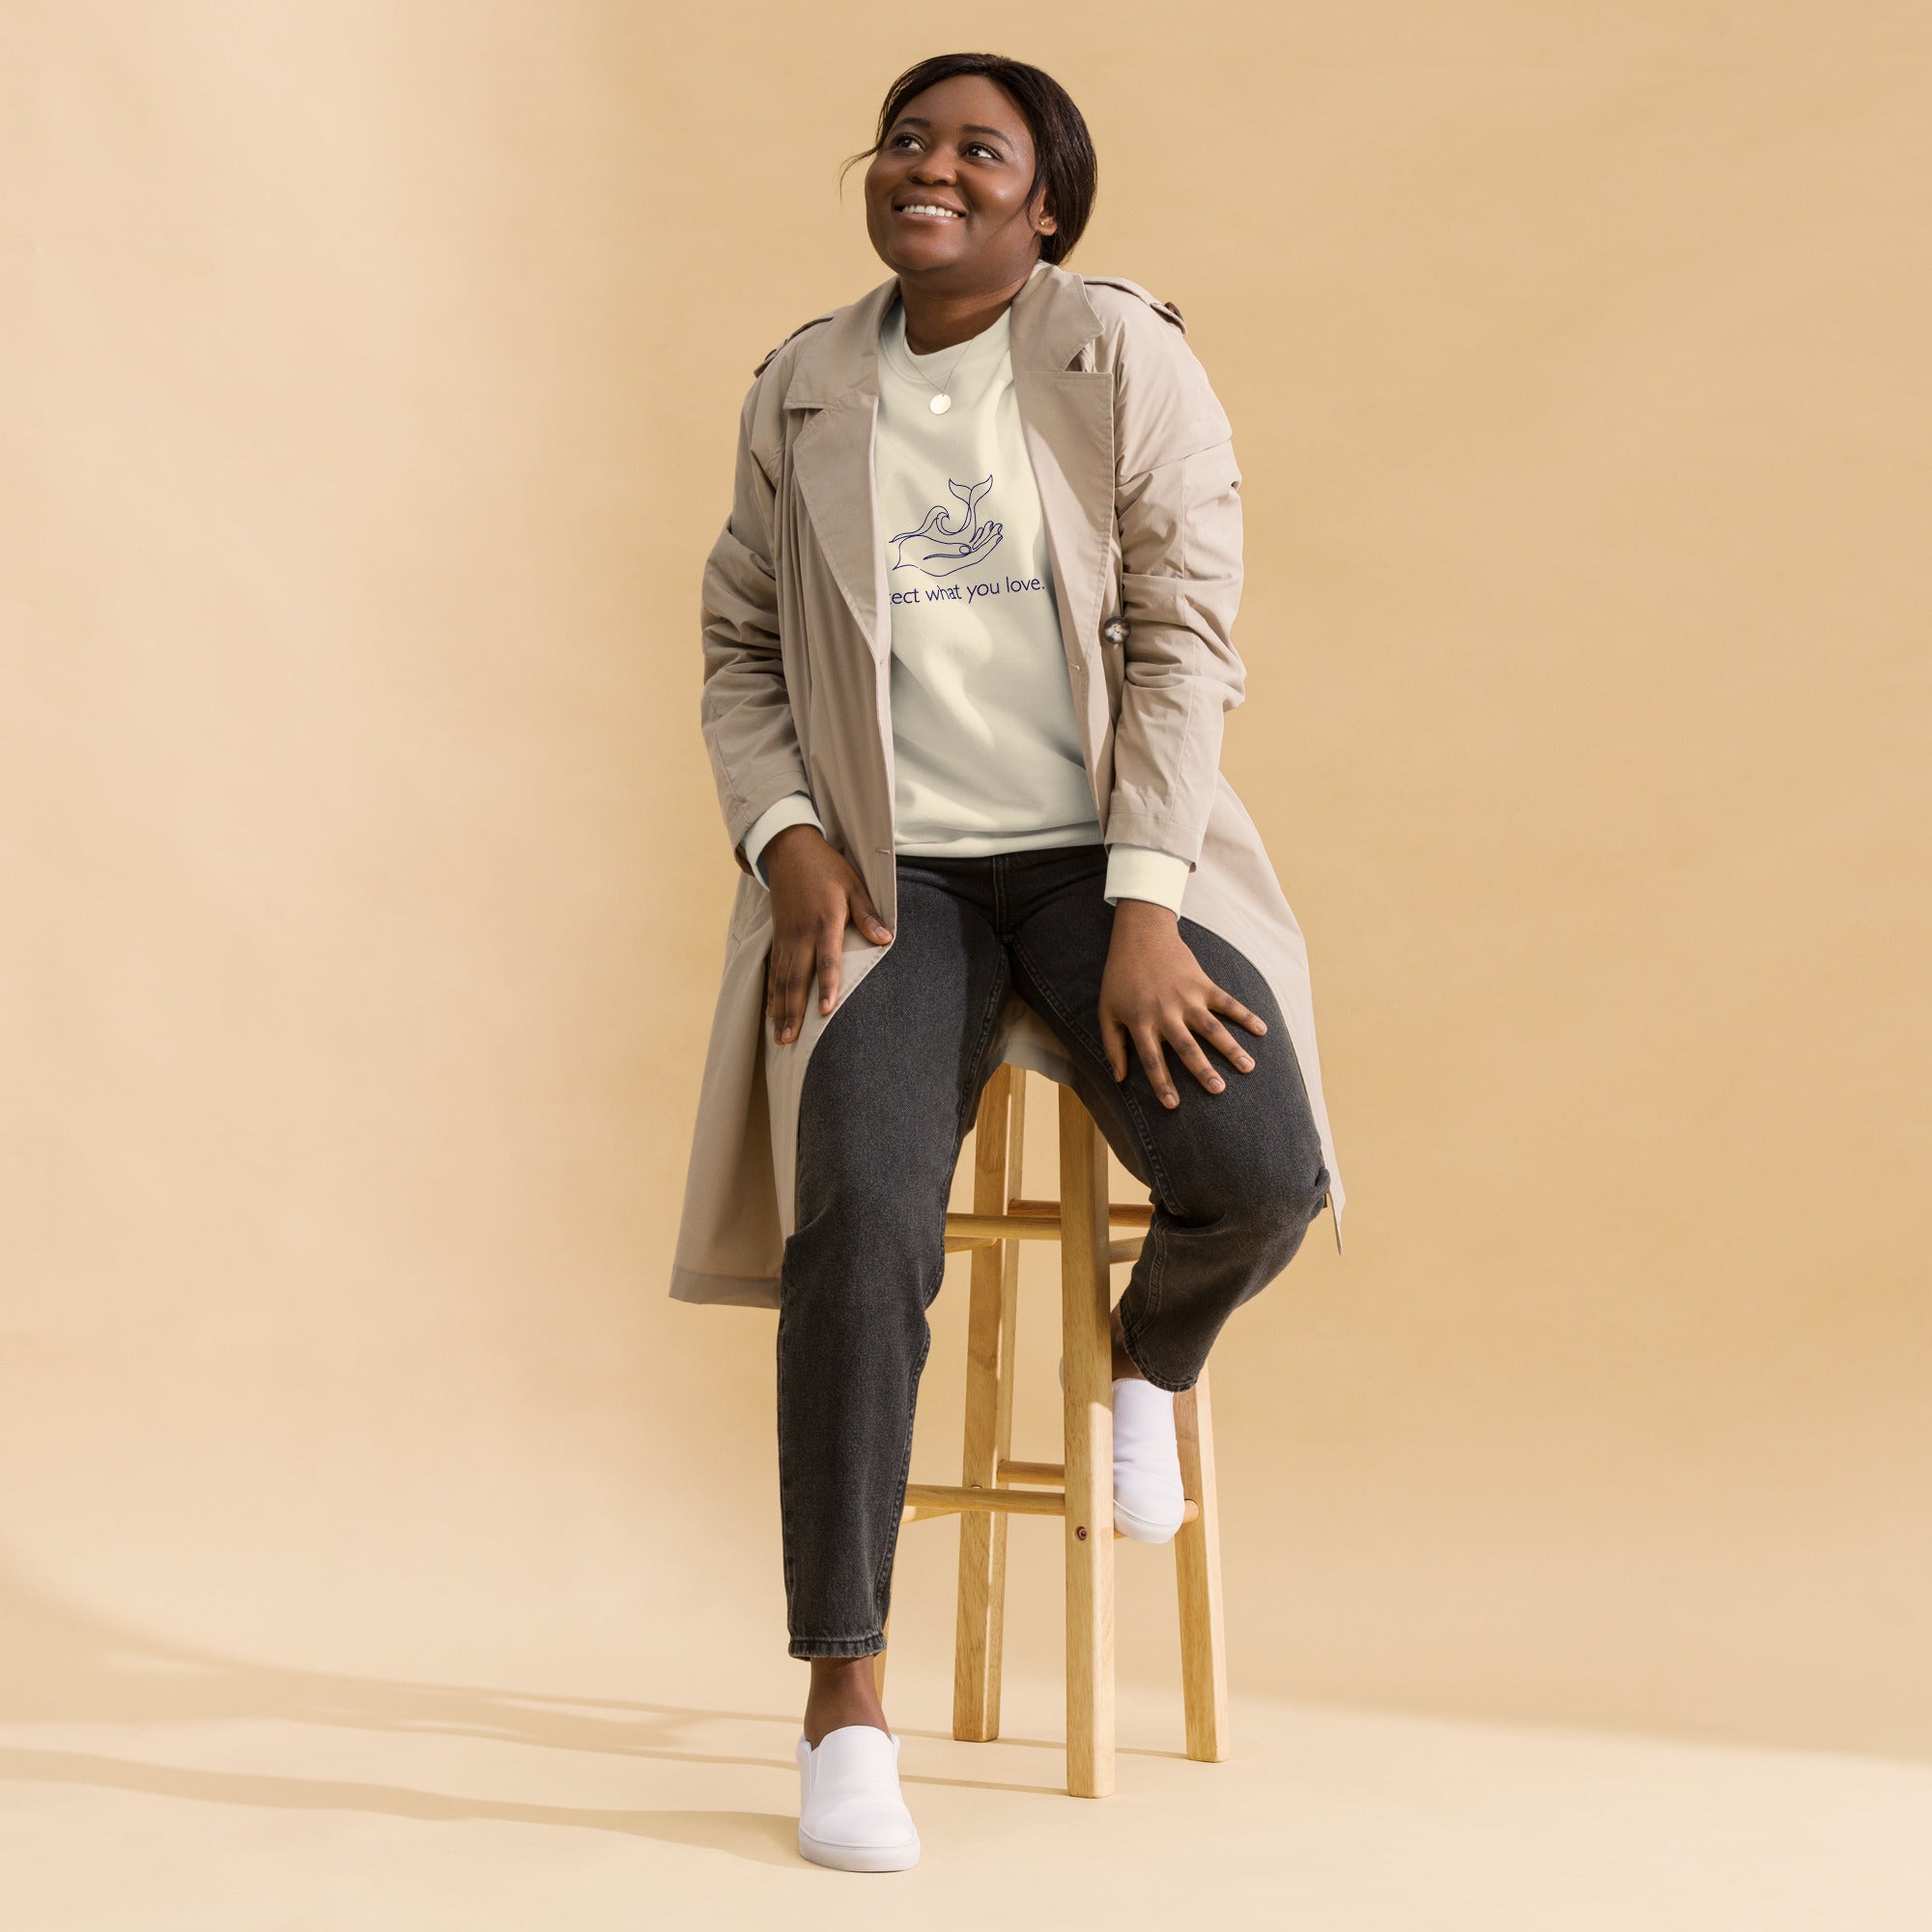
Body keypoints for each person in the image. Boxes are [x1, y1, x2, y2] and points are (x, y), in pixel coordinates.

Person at [682, 52, 1346, 1872]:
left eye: (983, 151)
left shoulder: (1122, 355)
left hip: (1106, 851)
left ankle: (1149, 1363)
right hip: (898, 883)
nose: (934, 169)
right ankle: (843, 1702)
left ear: (1046, 206)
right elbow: (742, 641)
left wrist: (1144, 907)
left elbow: (1183, 635)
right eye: (910, 140)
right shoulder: (806, 385)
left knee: (1258, 1171)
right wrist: (786, 839)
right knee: (864, 1216)